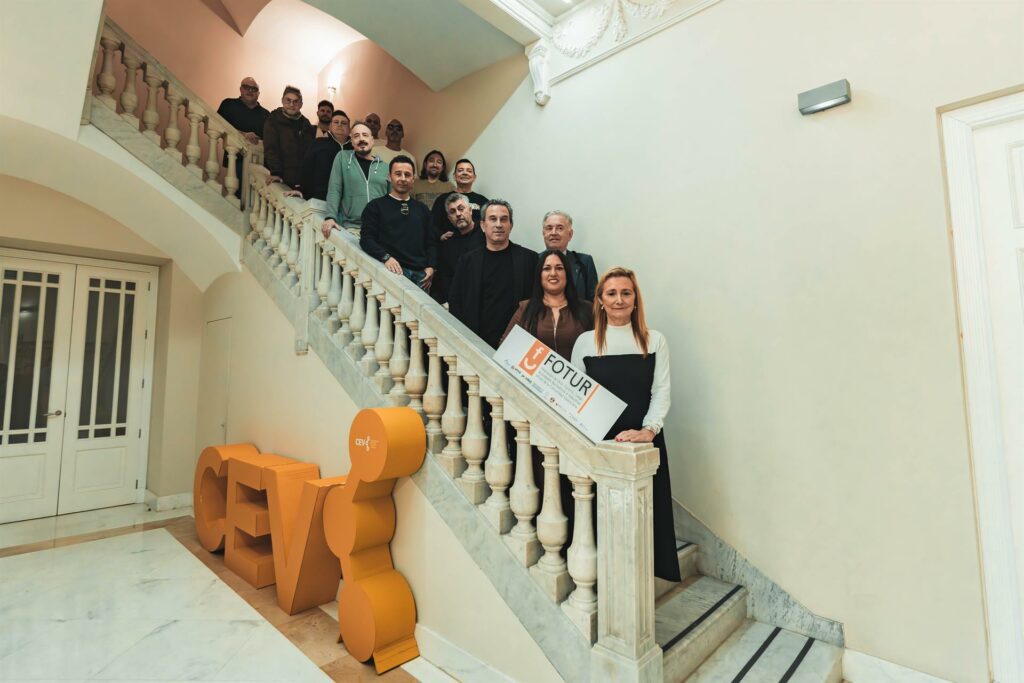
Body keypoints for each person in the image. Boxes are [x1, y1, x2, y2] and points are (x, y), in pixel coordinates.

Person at [571, 268, 679, 583]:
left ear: (635, 300)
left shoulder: (655, 340)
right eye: (612, 293)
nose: (619, 299)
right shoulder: (585, 342)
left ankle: (641, 578)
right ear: (600, 301)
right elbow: (576, 397)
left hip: (644, 439)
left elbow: (661, 390)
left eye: (626, 293)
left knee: (646, 515)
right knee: (602, 515)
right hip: (600, 442)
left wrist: (649, 431)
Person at [448, 199, 537, 349]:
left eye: (504, 219)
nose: (498, 224)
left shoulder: (529, 259)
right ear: (483, 225)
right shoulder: (467, 261)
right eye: (493, 219)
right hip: (476, 344)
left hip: (517, 344)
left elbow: (537, 303)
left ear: (511, 225)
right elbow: (456, 302)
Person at [359, 156, 436, 290]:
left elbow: (431, 241)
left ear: (413, 179)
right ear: (390, 177)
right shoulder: (375, 206)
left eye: (407, 175)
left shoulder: (422, 209)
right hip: (392, 271)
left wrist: (431, 267)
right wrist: (385, 257)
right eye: (398, 174)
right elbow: (366, 239)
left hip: (421, 275)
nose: (403, 178)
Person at [501, 249, 593, 357]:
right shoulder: (525, 308)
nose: (553, 273)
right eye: (547, 268)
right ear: (539, 275)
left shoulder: (587, 309)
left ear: (567, 274)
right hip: (532, 368)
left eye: (559, 268)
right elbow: (505, 346)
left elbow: (600, 346)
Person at [321, 122, 389, 233]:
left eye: (365, 135)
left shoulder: (386, 167)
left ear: (372, 140)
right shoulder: (342, 158)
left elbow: (392, 199)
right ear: (352, 141)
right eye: (356, 136)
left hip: (380, 230)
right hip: (352, 228)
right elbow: (335, 189)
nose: (361, 139)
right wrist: (330, 217)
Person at [432, 193, 485, 305]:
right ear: (449, 218)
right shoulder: (448, 244)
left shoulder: (486, 234)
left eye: (461, 209)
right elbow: (446, 279)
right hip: (460, 302)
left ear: (470, 210)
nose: (458, 214)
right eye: (452, 212)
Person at [263, 86, 314, 188]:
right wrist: (276, 172)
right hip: (280, 177)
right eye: (288, 100)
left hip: (302, 179)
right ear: (282, 101)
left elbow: (310, 151)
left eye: (296, 101)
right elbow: (271, 148)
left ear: (301, 104)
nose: (291, 105)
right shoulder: (273, 119)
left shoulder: (306, 123)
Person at [542, 210, 598, 301]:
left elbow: (594, 301)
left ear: (570, 234)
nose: (553, 232)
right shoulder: (533, 261)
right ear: (543, 234)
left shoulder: (584, 262)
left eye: (560, 228)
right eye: (549, 228)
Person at [295, 110, 351, 201]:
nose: (340, 125)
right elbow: (306, 167)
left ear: (349, 129)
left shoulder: (354, 149)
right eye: (336, 122)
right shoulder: (318, 143)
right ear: (330, 127)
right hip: (319, 198)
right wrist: (299, 188)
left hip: (347, 202)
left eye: (344, 123)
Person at [431, 158, 487, 238]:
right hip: (450, 243)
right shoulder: (442, 199)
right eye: (460, 170)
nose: (465, 173)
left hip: (477, 243)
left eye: (469, 171)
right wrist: (440, 236)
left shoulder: (483, 201)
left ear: (474, 177)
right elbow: (432, 225)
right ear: (454, 176)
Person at [216, 77, 269, 145]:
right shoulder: (228, 104)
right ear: (241, 89)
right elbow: (217, 125)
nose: (250, 90)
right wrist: (243, 135)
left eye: (254, 89)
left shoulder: (266, 115)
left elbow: (271, 140)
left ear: (258, 93)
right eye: (246, 87)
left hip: (257, 151)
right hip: (232, 151)